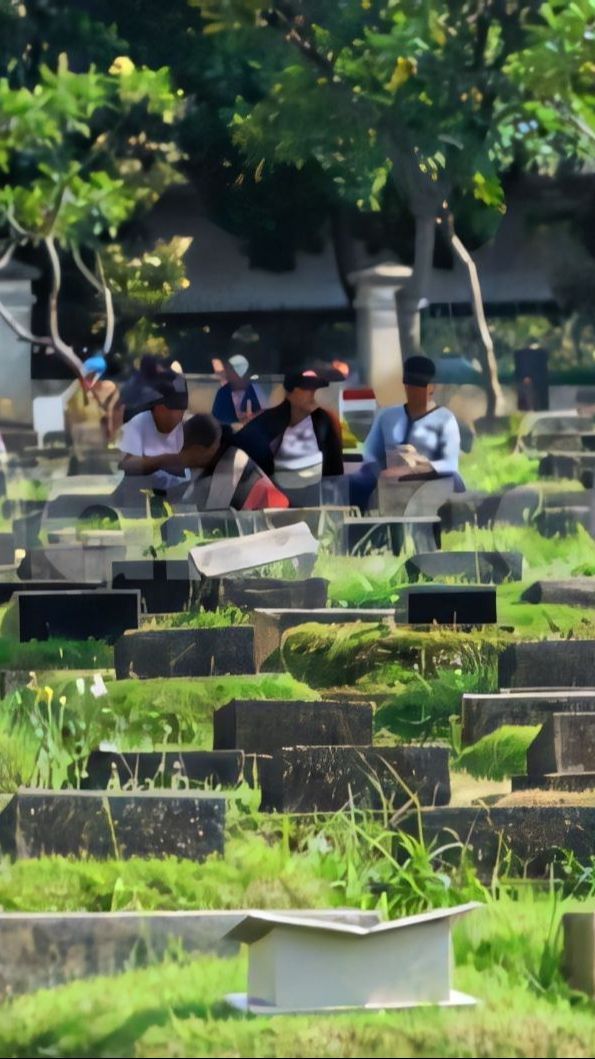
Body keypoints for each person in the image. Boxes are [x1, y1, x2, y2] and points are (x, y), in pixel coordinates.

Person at [353, 355, 463, 509]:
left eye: (421, 387)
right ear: (405, 385)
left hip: (431, 482)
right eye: (412, 386)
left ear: (432, 387)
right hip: (390, 481)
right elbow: (370, 454)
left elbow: (450, 464)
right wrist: (381, 472)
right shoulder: (386, 416)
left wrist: (413, 468)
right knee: (354, 484)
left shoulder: (445, 419)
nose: (416, 393)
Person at [235, 370, 343, 501]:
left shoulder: (326, 422)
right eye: (306, 388)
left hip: (317, 503)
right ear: (290, 392)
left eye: (316, 388)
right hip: (274, 505)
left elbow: (335, 475)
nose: (313, 393)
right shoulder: (266, 424)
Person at [177, 413, 289, 510]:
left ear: (199, 450)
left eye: (182, 451)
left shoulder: (231, 469)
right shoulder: (211, 460)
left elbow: (210, 519)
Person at [117, 369, 189, 493]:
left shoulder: (186, 428)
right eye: (174, 408)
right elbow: (126, 465)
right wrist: (162, 461)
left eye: (182, 409)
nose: (179, 415)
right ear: (157, 408)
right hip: (140, 496)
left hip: (178, 496)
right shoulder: (138, 424)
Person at [66, 353, 121, 444]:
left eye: (90, 375)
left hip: (97, 435)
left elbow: (112, 414)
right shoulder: (78, 387)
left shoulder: (110, 387)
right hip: (83, 434)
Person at [211, 353, 263, 425]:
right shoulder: (222, 393)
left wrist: (253, 417)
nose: (226, 374)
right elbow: (216, 420)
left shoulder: (254, 389)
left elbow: (263, 414)